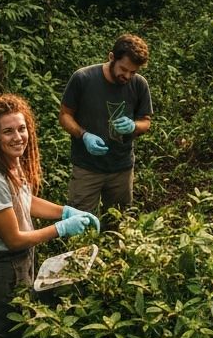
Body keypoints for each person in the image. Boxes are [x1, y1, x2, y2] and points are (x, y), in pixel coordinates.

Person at [0, 92, 100, 338]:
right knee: (8, 331)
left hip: (19, 258)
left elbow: (25, 201)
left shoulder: (11, 162)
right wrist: (61, 229)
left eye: (22, 128)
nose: (18, 137)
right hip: (2, 267)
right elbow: (13, 239)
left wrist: (65, 211)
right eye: (7, 132)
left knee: (23, 318)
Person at [58, 34, 153, 215]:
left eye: (133, 72)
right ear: (111, 57)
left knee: (118, 222)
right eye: (123, 69)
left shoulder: (139, 84)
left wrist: (134, 126)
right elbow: (65, 115)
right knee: (80, 221)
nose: (127, 76)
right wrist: (83, 135)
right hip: (87, 166)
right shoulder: (83, 78)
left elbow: (146, 121)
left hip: (121, 167)